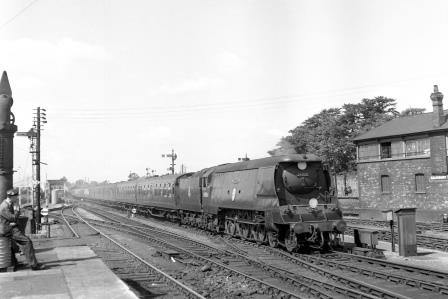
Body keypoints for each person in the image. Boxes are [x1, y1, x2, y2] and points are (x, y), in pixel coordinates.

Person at [0, 188, 45, 270]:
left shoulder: (8, 204)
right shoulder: (4, 206)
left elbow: (11, 219)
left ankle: (15, 262)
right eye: (16, 197)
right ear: (11, 197)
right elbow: (13, 218)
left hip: (9, 227)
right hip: (8, 229)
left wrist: (13, 221)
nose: (17, 198)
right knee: (27, 242)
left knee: (19, 243)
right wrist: (17, 209)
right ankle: (34, 265)